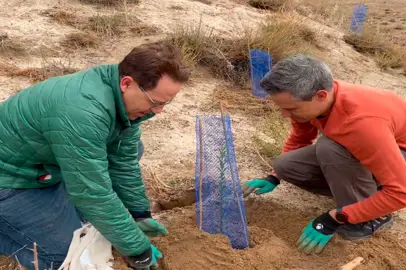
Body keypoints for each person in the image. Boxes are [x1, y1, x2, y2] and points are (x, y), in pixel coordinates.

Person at [0, 40, 190, 269]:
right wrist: (137, 249)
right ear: (127, 83)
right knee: (70, 257)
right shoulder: (83, 112)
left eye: (166, 103)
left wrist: (139, 212)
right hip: (12, 179)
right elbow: (91, 193)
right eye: (155, 102)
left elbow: (124, 160)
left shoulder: (121, 101)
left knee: (128, 151)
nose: (159, 111)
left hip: (42, 167)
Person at [243, 55, 406, 255]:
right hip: (370, 151)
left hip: (398, 156)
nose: (285, 115)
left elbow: (401, 192)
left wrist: (335, 218)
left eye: (290, 109)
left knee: (330, 148)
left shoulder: (363, 124)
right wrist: (275, 176)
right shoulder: (309, 102)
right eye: (282, 108)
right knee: (285, 165)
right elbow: (299, 140)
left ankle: (371, 218)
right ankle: (356, 193)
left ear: (320, 95)